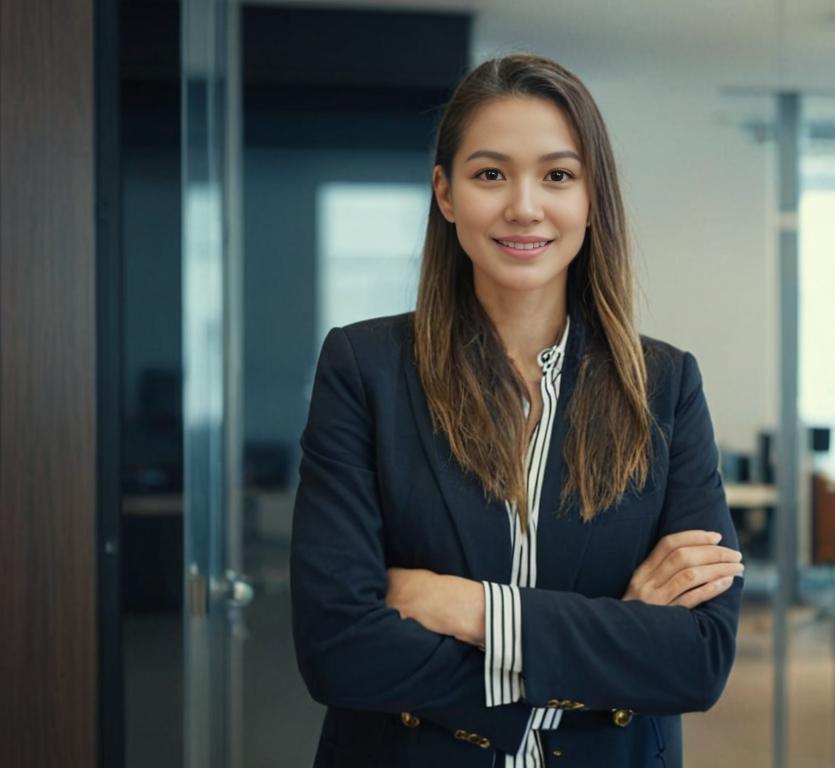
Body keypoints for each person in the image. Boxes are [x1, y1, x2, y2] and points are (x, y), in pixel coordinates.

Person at [290, 53, 744, 768]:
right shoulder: (365, 369)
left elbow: (699, 659)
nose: (524, 206)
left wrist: (468, 610)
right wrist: (617, 638)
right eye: (490, 174)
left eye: (557, 175)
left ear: (593, 198)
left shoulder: (664, 386)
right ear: (445, 193)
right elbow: (338, 650)